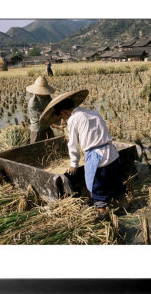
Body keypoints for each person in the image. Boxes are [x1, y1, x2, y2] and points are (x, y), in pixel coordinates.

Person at [39, 89, 129, 218]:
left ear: (65, 112)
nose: (63, 119)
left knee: (97, 185)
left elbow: (72, 144)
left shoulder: (74, 119)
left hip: (97, 157)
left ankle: (102, 212)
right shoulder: (93, 113)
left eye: (62, 116)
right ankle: (124, 203)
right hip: (112, 153)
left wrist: (74, 163)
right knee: (115, 180)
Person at [26, 76, 63, 143]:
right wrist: (57, 126)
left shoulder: (47, 97)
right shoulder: (32, 104)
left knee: (51, 145)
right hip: (37, 129)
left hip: (47, 127)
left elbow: (52, 108)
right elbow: (43, 119)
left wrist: (61, 118)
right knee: (35, 149)